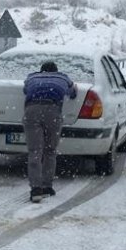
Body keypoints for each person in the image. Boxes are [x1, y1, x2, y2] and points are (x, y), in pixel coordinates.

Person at [22, 61, 77, 202]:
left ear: (41, 71)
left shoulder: (32, 77)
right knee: (50, 150)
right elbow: (73, 93)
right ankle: (47, 186)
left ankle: (35, 189)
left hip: (32, 110)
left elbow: (25, 90)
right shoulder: (63, 77)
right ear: (56, 70)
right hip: (53, 111)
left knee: (35, 151)